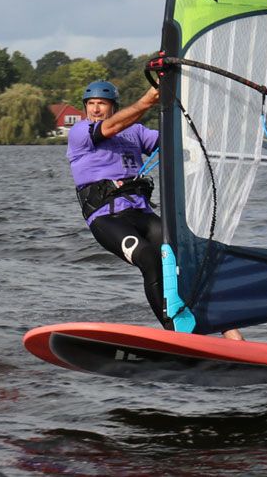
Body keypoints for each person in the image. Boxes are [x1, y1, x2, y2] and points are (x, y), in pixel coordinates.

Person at [66, 79, 242, 339]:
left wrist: (214, 123)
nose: (95, 109)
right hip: (107, 219)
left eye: (101, 104)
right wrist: (148, 99)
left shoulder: (135, 132)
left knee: (190, 258)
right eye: (91, 104)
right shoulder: (80, 133)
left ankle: (232, 335)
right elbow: (112, 126)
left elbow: (178, 143)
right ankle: (177, 335)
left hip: (143, 215)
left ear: (113, 106)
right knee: (149, 258)